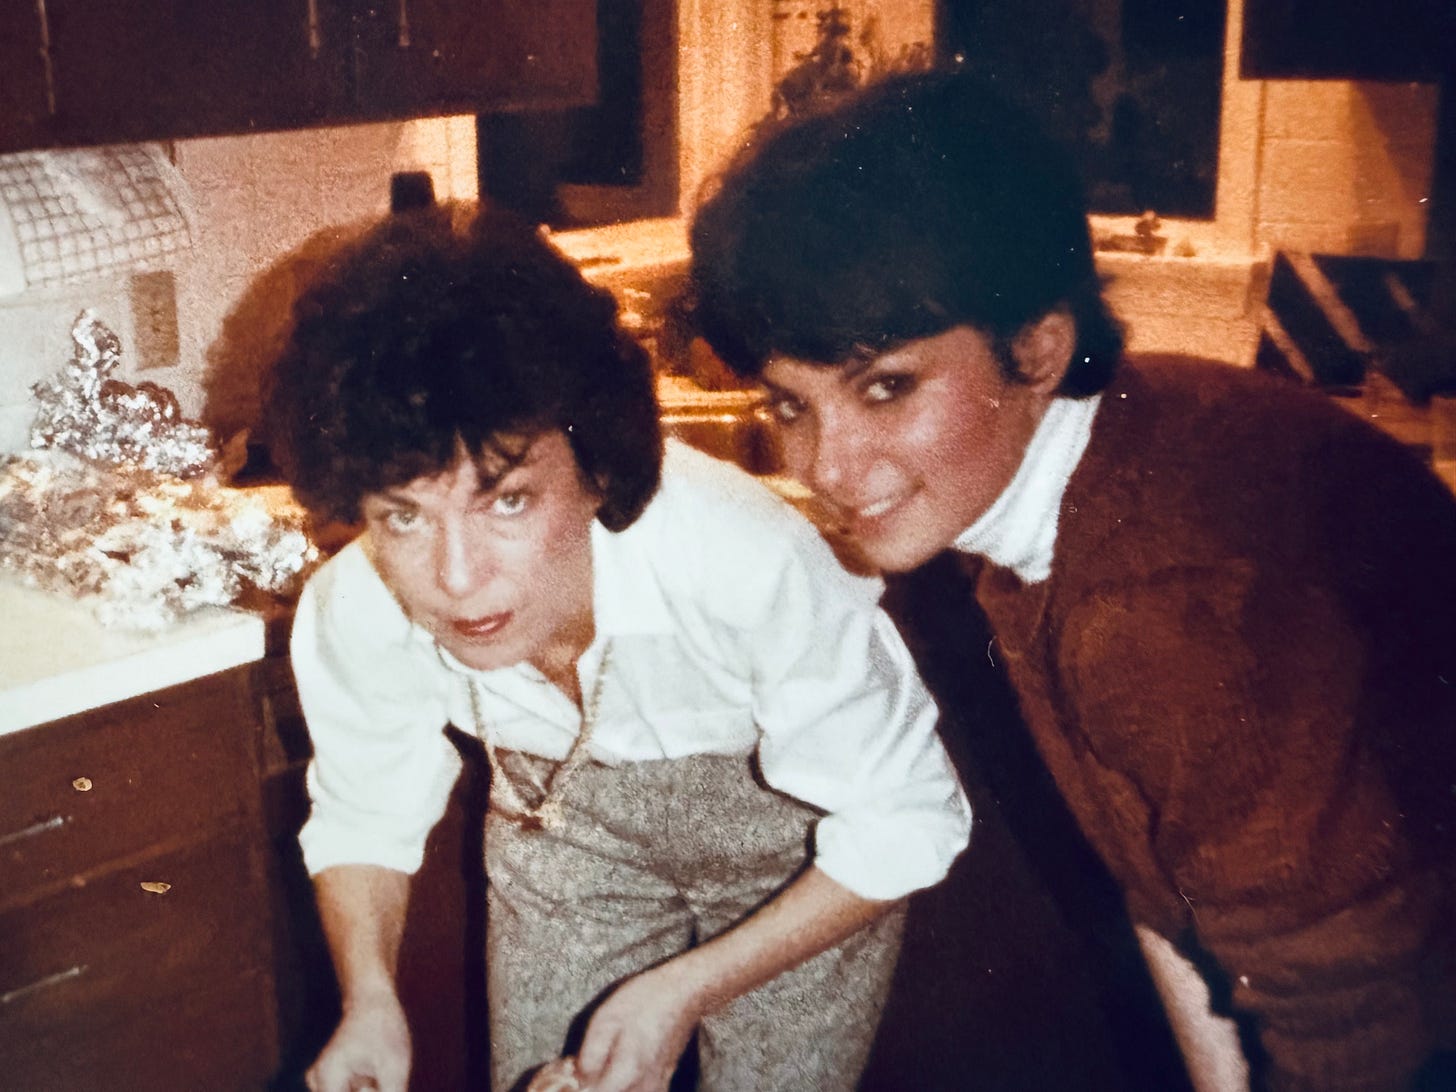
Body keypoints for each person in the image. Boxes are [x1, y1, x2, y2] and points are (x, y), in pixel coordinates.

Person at [686, 70, 1456, 1091]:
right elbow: (1167, 896)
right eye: (792, 405)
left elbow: (1354, 1028)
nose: (827, 467)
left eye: (886, 387)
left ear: (1037, 347)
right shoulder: (1056, 489)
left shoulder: (1163, 600)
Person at [264, 200, 972, 1092]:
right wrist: (368, 999)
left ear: (596, 468)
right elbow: (367, 814)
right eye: (404, 515)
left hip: (802, 857)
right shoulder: (359, 605)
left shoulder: (739, 557)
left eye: (506, 501)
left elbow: (908, 820)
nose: (456, 576)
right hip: (562, 841)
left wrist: (683, 991)